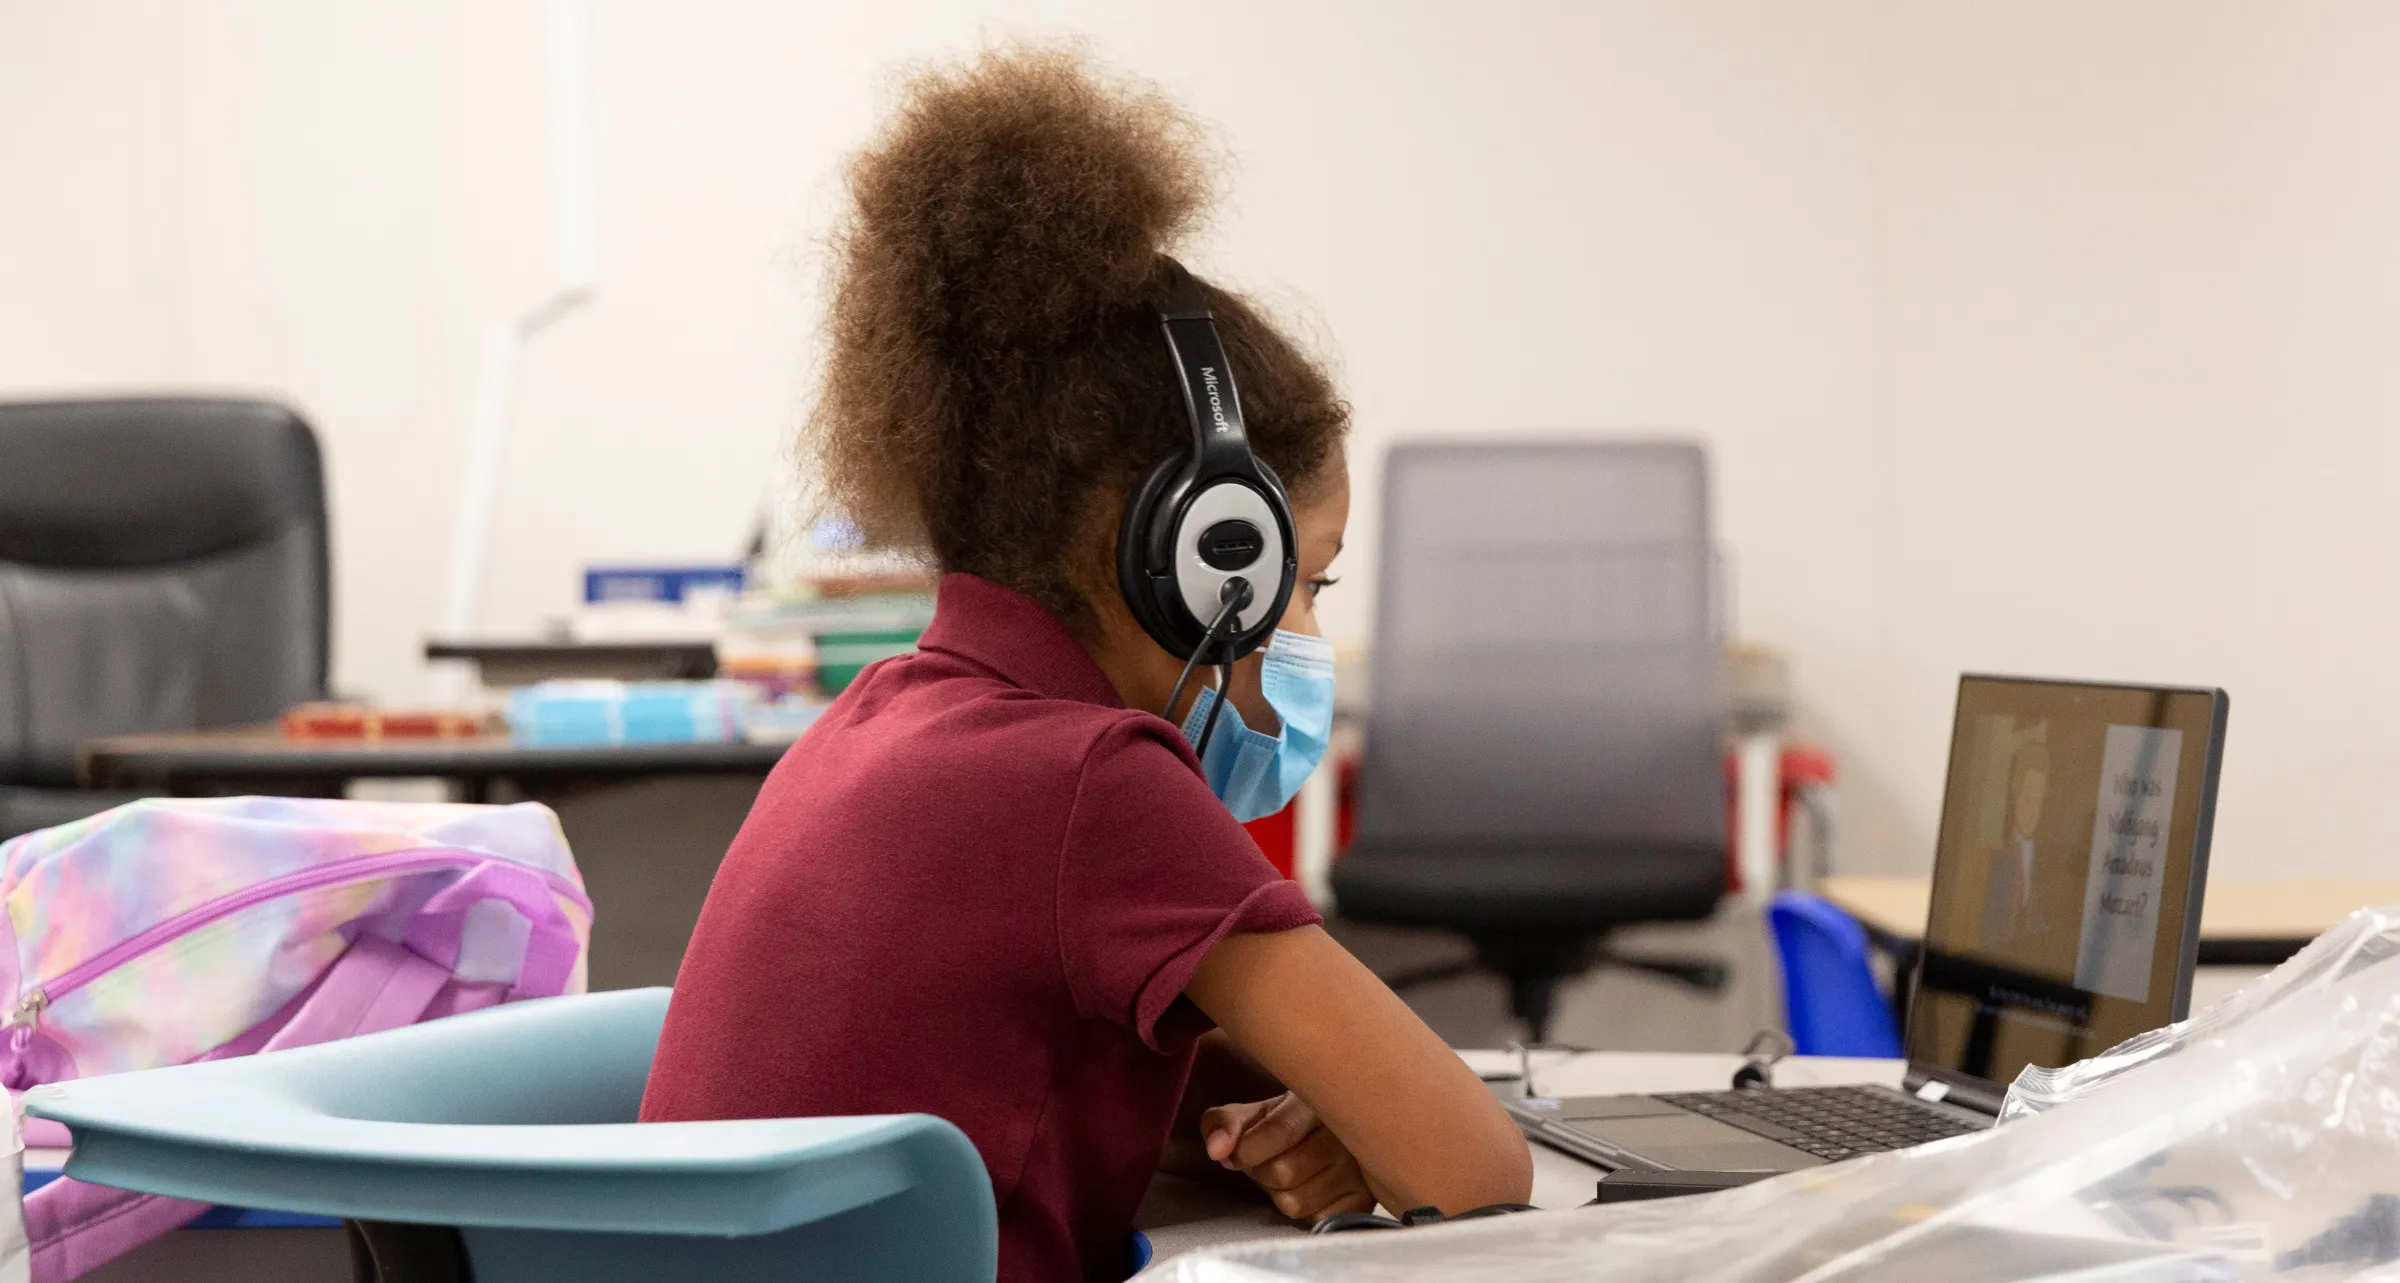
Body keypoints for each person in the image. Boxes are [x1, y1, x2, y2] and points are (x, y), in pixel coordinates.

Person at [639, 44, 1531, 1283]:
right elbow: (1479, 1171)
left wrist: (1284, 1113)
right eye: (1301, 581)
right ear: (1201, 553)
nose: (1305, 629)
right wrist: (1366, 1121)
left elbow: (1043, 1068)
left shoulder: (886, 718)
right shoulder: (1094, 778)